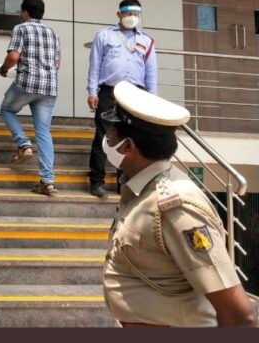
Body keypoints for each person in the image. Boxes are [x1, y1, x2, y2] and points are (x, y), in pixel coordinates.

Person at [100, 81, 257, 328]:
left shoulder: (175, 205)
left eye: (109, 136)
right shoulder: (141, 190)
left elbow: (239, 315)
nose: (105, 141)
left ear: (128, 146)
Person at [87, 0, 157, 198]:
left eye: (135, 14)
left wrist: (152, 99)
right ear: (119, 14)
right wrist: (92, 91)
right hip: (109, 91)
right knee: (103, 136)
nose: (132, 18)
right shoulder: (104, 36)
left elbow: (151, 72)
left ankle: (123, 182)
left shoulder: (147, 41)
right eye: (128, 14)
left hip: (136, 94)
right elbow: (94, 65)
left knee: (130, 139)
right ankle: (96, 181)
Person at [0, 0, 61, 196]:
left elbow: (13, 57)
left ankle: (23, 144)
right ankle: (48, 181)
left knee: (7, 109)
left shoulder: (21, 28)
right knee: (43, 132)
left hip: (27, 82)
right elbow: (57, 63)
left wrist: (4, 68)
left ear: (25, 12)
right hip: (49, 87)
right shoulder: (53, 33)